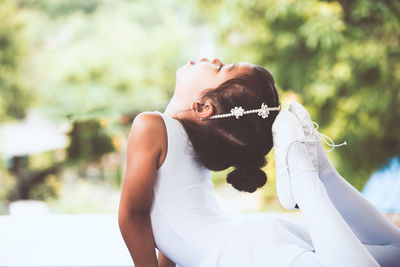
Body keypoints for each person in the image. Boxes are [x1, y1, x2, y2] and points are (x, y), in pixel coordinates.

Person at [118, 58, 400, 267]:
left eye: (220, 68)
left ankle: (304, 175)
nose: (214, 59)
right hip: (249, 243)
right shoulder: (191, 136)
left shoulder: (150, 126)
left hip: (244, 251)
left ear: (204, 108)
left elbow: (135, 215)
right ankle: (319, 170)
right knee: (396, 249)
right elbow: (174, 221)